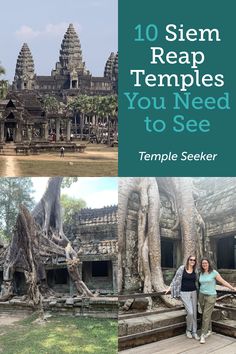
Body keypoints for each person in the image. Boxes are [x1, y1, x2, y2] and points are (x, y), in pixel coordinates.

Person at [199, 257, 236, 344]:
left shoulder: (214, 273)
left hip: (211, 296)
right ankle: (209, 330)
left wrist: (232, 288)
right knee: (204, 314)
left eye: (206, 263)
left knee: (206, 315)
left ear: (209, 264)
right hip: (201, 295)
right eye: (203, 263)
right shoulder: (201, 273)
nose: (204, 264)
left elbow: (223, 281)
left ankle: (202, 335)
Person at [166, 255, 199, 340]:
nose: (192, 261)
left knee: (194, 313)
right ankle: (188, 330)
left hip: (194, 292)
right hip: (184, 293)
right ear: (188, 260)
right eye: (191, 260)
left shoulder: (195, 270)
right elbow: (175, 279)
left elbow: (198, 281)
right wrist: (169, 288)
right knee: (190, 313)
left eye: (194, 260)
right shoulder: (182, 268)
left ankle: (194, 332)